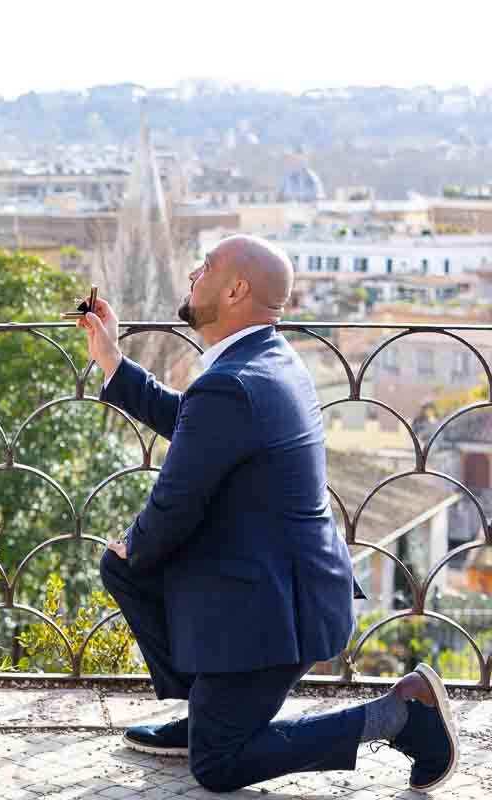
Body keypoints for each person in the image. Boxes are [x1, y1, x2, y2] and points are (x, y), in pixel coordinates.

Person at [79, 234, 459, 793]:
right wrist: (113, 361)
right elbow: (197, 425)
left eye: (204, 267)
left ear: (235, 290)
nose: (192, 274)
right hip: (281, 588)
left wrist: (136, 542)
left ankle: (402, 715)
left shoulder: (234, 380)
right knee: (126, 566)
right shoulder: (264, 360)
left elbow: (177, 502)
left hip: (277, 610)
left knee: (219, 766)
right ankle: (209, 713)